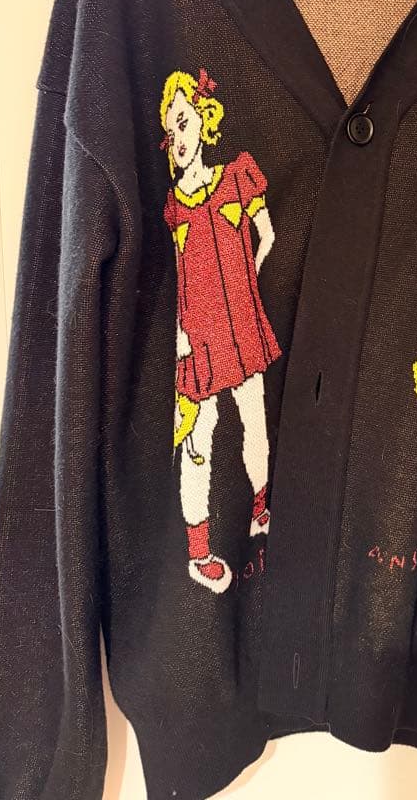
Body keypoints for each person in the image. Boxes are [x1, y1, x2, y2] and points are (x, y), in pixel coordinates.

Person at [160, 67, 282, 592]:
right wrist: (182, 336)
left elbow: (267, 234)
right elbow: (180, 275)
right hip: (198, 335)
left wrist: (247, 280)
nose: (178, 140)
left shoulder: (235, 178)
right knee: (197, 436)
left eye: (184, 123)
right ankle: (198, 550)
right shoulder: (174, 208)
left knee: (255, 419)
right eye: (170, 132)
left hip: (240, 324)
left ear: (205, 120)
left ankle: (261, 507)